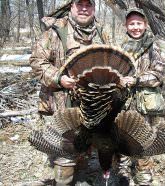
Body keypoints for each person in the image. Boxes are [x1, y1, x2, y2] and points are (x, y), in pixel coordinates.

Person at [29, 0, 108, 184]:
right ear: (71, 7)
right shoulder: (56, 31)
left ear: (94, 9)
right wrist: (59, 78)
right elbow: (36, 60)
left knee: (84, 150)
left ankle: (79, 175)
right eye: (79, 4)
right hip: (62, 102)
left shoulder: (101, 33)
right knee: (64, 154)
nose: (83, 9)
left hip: (91, 104)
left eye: (88, 5)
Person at [119, 8, 165, 186]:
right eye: (132, 23)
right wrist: (118, 81)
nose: (135, 27)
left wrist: (136, 80)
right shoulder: (120, 46)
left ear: (145, 25)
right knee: (122, 138)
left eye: (139, 23)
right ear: (126, 25)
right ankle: (123, 173)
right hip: (124, 102)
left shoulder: (153, 46)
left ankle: (143, 176)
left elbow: (159, 74)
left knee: (144, 140)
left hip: (146, 104)